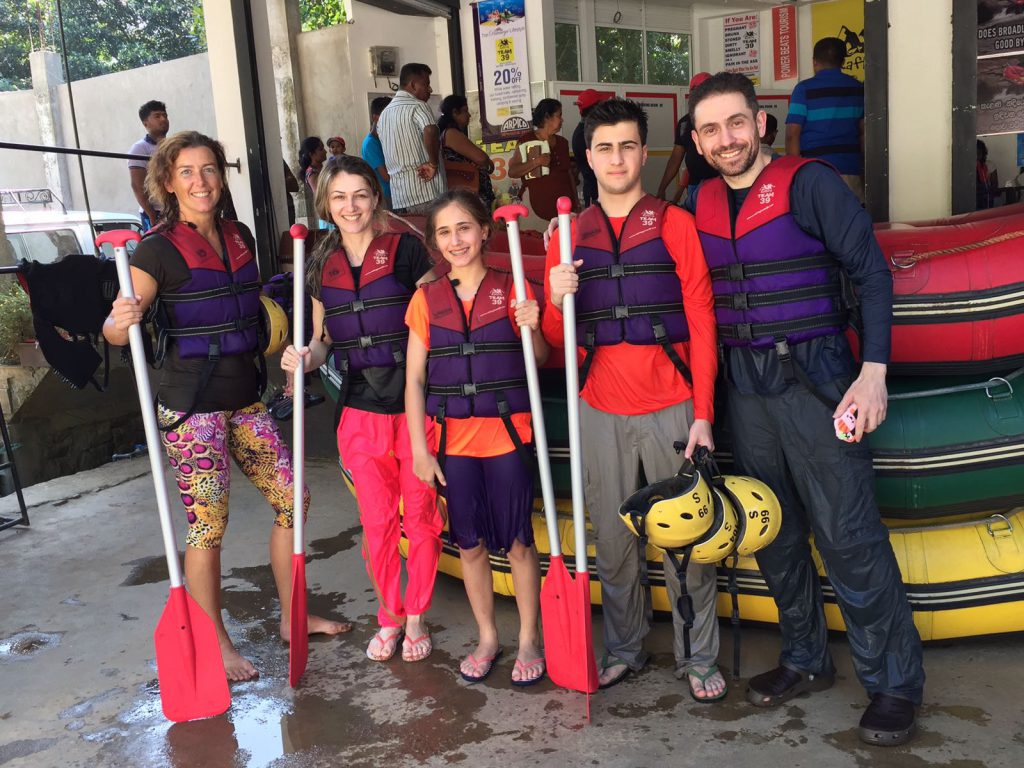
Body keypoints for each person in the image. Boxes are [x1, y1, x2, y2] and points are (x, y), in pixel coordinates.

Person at [688, 72, 924, 745]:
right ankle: (805, 658)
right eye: (710, 129)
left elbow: (872, 273)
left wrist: (872, 373)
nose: (725, 139)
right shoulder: (697, 201)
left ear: (761, 123)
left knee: (848, 536)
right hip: (745, 390)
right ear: (699, 142)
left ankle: (893, 684)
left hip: (817, 380)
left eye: (736, 123)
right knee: (777, 533)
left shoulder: (810, 183)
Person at [103, 131, 350, 682]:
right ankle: (216, 642)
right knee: (207, 526)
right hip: (192, 408)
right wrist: (117, 322)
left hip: (245, 400)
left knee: (294, 498)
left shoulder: (238, 237)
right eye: (186, 172)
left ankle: (292, 618)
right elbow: (120, 331)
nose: (200, 181)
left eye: (209, 169)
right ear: (167, 183)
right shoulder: (154, 251)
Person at [543, 99, 723, 699]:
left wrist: (703, 414)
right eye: (604, 147)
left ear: (645, 154)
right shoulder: (567, 235)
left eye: (627, 146)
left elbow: (701, 319)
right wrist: (554, 294)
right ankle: (624, 649)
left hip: (672, 404)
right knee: (614, 540)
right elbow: (550, 339)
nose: (616, 159)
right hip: (598, 407)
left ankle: (698, 657)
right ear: (588, 157)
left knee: (689, 539)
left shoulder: (675, 223)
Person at [280, 155, 443, 663]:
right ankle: (390, 618)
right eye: (339, 197)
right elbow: (323, 341)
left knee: (419, 517)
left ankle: (416, 616)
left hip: (416, 405)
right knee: (376, 524)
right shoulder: (319, 262)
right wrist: (304, 356)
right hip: (360, 409)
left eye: (360, 196)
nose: (350, 207)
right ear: (326, 203)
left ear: (375, 198)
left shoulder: (406, 251)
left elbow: (440, 319)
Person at [405, 189, 547, 686]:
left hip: (508, 434)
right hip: (453, 444)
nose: (456, 240)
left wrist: (534, 326)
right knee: (469, 545)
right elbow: (415, 381)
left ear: (485, 230)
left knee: (519, 542)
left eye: (464, 228)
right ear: (435, 244)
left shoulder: (514, 288)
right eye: (444, 232)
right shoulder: (426, 301)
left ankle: (530, 637)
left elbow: (543, 357)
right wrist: (420, 451)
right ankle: (488, 637)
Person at [786, 37, 865, 201]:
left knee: (816, 223)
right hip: (850, 168)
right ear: (842, 61)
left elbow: (792, 134)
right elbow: (864, 133)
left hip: (813, 170)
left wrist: (795, 172)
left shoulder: (803, 89)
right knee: (851, 222)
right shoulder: (858, 89)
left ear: (814, 62)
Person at [377, 63, 446, 215]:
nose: (430, 89)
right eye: (426, 84)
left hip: (399, 197)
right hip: (425, 191)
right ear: (413, 85)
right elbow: (430, 129)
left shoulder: (384, 115)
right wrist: (433, 164)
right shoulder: (418, 106)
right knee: (433, 236)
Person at [508, 98, 578, 220]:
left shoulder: (562, 143)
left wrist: (576, 202)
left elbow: (568, 174)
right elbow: (513, 171)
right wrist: (536, 162)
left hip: (565, 210)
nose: (562, 120)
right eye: (559, 115)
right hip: (537, 210)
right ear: (547, 117)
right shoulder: (526, 140)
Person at [656, 73, 718, 204]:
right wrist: (662, 188)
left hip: (721, 185)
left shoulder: (722, 119)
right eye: (696, 91)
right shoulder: (684, 123)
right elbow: (675, 159)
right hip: (694, 186)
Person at [437, 95, 496, 210]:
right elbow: (481, 158)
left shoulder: (444, 133)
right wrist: (488, 163)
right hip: (470, 193)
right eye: (465, 111)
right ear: (455, 112)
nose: (469, 115)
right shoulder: (451, 133)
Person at [128, 100, 170, 230]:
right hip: (155, 213)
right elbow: (137, 185)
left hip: (175, 210)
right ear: (145, 123)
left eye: (165, 115)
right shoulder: (140, 148)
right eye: (157, 116)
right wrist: (151, 214)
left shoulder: (174, 146)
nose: (163, 119)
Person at [571, 89, 613, 207]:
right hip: (595, 194)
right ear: (595, 109)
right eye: (601, 105)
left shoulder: (590, 130)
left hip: (603, 192)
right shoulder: (582, 135)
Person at [361, 96, 393, 208]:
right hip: (385, 197)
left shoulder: (382, 140)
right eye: (388, 115)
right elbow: (386, 176)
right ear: (376, 118)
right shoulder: (370, 144)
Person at [976, 139, 999, 209]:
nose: (977, 156)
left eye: (979, 153)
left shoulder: (989, 165)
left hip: (987, 198)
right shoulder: (969, 166)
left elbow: (995, 184)